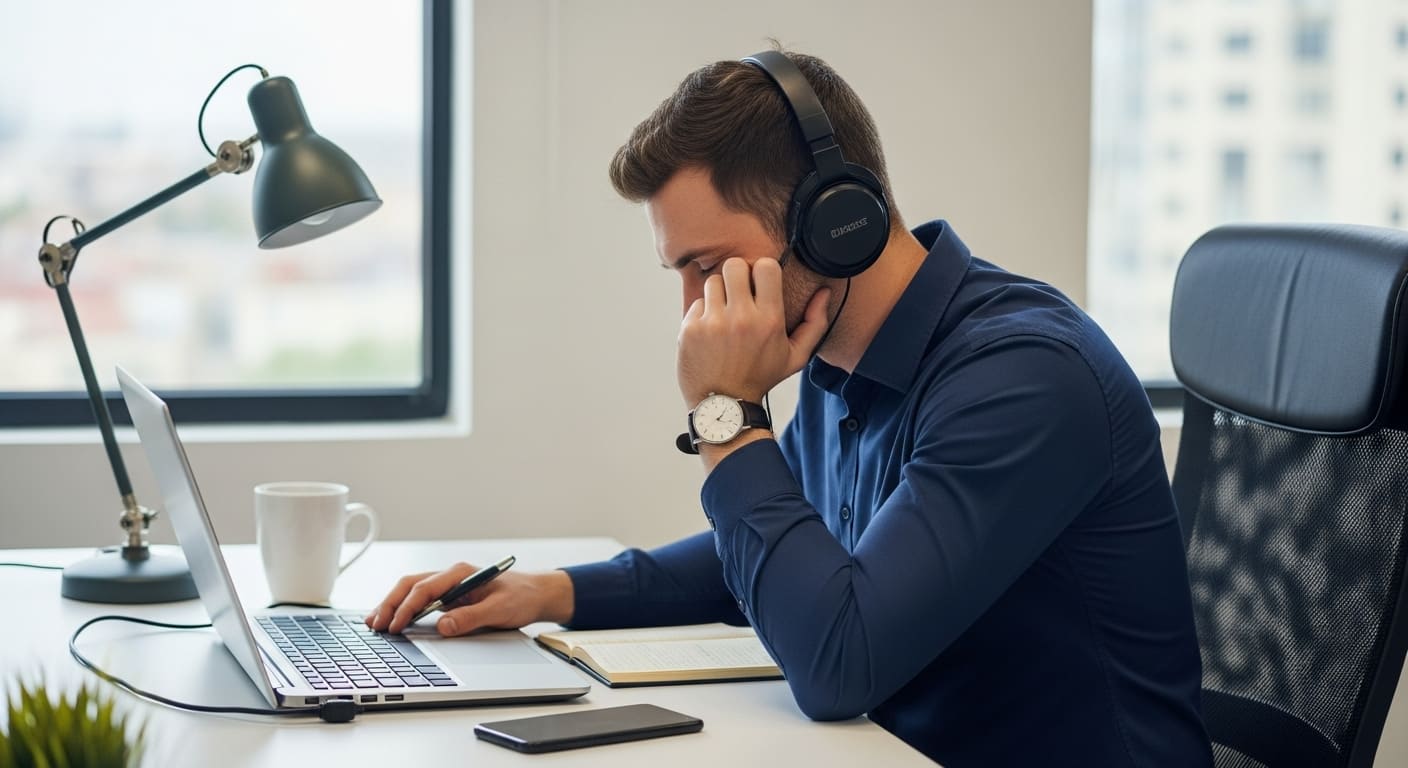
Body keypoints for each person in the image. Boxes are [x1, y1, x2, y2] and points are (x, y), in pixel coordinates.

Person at [367, 48, 1212, 766]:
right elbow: (776, 557)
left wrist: (727, 413)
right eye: (682, 274)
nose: (694, 312)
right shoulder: (840, 361)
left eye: (710, 268)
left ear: (835, 224)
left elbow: (838, 664)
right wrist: (550, 594)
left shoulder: (1023, 377)